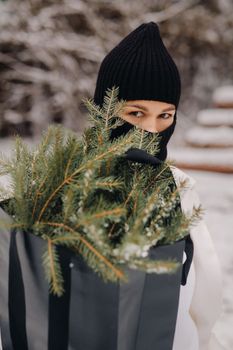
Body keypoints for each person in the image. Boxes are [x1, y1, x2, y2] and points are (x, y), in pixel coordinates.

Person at [93, 21, 223, 350]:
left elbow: (202, 306)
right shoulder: (53, 190)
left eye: (165, 116)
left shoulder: (179, 191)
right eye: (136, 113)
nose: (152, 129)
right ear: (105, 113)